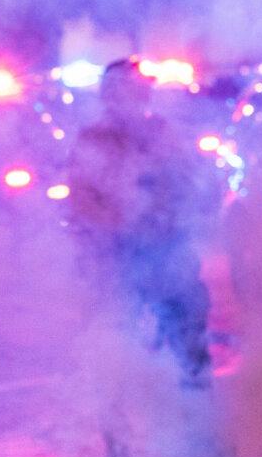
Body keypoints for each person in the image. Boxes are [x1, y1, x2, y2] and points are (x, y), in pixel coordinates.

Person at [68, 57, 213, 383]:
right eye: (122, 89)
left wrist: (173, 216)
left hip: (168, 250)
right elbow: (82, 200)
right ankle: (129, 415)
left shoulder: (162, 132)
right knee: (121, 342)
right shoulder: (94, 140)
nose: (132, 96)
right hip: (117, 258)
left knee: (188, 331)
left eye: (137, 89)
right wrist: (121, 226)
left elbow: (187, 181)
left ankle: (196, 405)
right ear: (108, 95)